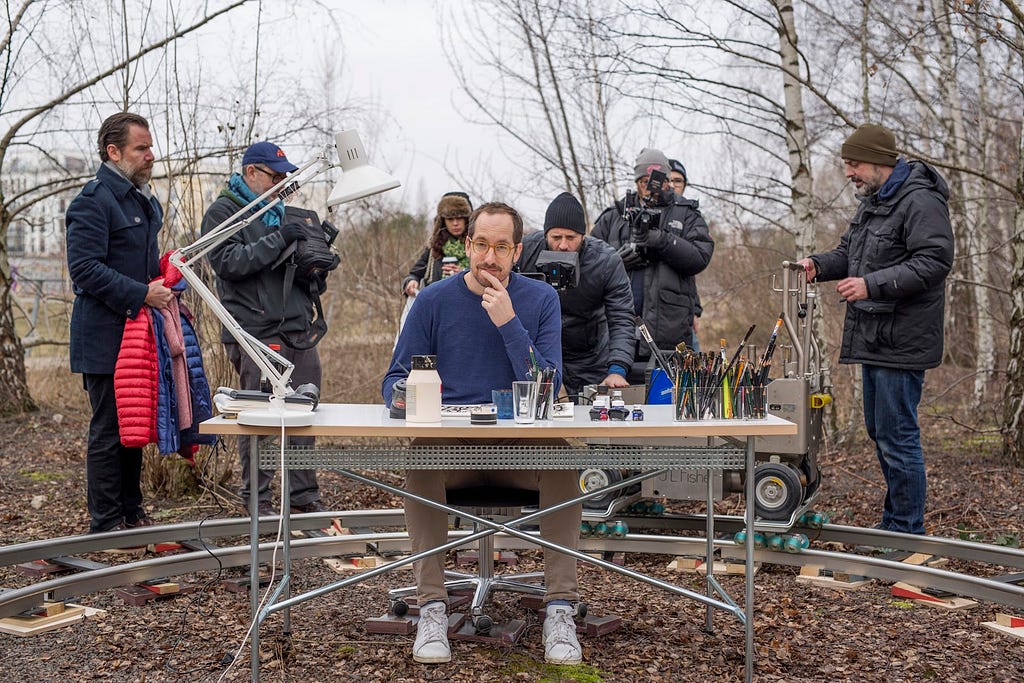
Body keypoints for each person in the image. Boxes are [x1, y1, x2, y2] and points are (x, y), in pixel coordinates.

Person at [382, 202, 582, 666]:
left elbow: (550, 388)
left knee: (562, 461)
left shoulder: (540, 300)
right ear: (468, 245)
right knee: (420, 460)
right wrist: (406, 396)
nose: (490, 258)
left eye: (502, 247)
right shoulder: (433, 300)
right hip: (451, 450)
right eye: (482, 245)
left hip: (521, 451)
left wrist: (509, 323)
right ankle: (432, 607)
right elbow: (392, 379)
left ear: (517, 252)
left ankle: (559, 609)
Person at [797, 123, 953, 535]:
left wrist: (871, 284)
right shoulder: (873, 201)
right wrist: (817, 264)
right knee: (881, 432)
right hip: (874, 336)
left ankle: (906, 531)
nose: (849, 172)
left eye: (854, 164)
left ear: (881, 162)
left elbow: (935, 261)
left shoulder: (920, 200)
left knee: (897, 436)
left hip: (904, 338)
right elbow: (849, 253)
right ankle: (893, 524)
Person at [201, 141, 328, 517]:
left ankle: (304, 497)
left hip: (297, 327)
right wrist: (281, 240)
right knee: (257, 418)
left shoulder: (281, 213)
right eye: (274, 176)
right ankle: (259, 501)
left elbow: (285, 269)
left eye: (284, 178)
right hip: (254, 332)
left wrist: (315, 266)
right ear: (251, 172)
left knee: (304, 411)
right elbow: (227, 263)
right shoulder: (224, 212)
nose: (280, 184)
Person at [66, 112, 173, 533]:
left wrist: (165, 277)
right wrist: (142, 293)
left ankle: (132, 512)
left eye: (149, 147)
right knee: (109, 428)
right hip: (103, 338)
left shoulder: (143, 200)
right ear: (113, 152)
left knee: (135, 425)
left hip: (137, 337)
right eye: (141, 149)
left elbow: (139, 263)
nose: (151, 155)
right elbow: (85, 270)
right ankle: (106, 522)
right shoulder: (93, 201)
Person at [592, 148, 714, 385]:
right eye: (644, 181)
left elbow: (700, 257)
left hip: (668, 333)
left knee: (665, 405)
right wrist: (616, 262)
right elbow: (590, 265)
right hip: (618, 332)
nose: (650, 187)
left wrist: (663, 241)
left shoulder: (686, 213)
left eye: (657, 180)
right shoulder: (614, 216)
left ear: (667, 181)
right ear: (637, 182)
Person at [517, 192, 633, 400]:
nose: (563, 245)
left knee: (591, 419)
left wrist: (617, 368)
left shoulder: (606, 261)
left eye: (571, 238)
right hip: (538, 351)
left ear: (583, 235)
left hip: (589, 355)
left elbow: (622, 316)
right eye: (556, 237)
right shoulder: (525, 251)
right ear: (545, 235)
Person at [401, 191, 473, 296]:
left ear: (467, 219)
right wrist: (412, 281)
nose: (455, 223)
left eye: (459, 218)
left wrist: (465, 274)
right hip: (437, 304)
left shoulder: (478, 246)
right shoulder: (434, 247)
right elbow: (415, 273)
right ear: (443, 221)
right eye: (450, 219)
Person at [669, 158, 703, 352]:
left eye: (678, 181)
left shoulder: (690, 219)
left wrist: (695, 311)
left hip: (684, 310)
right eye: (669, 180)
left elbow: (692, 270)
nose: (673, 185)